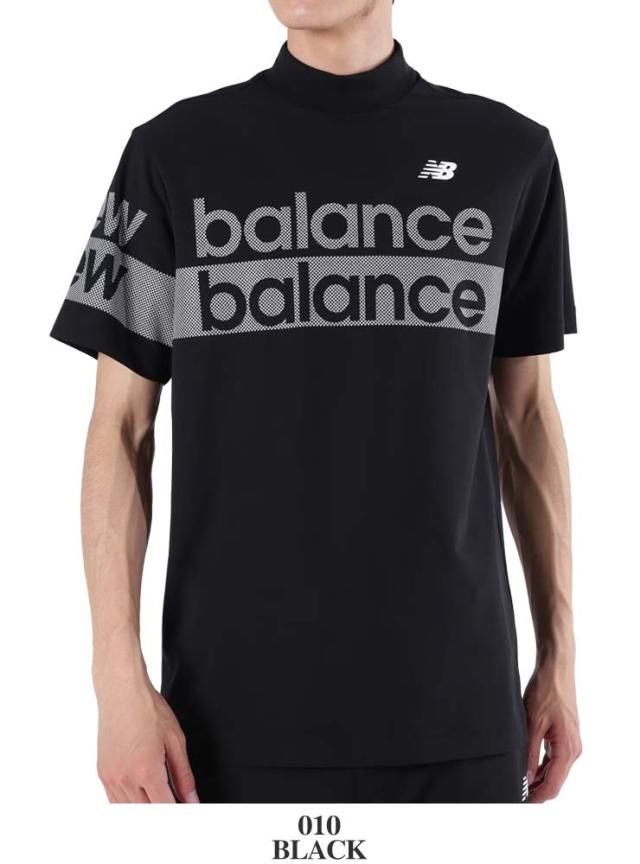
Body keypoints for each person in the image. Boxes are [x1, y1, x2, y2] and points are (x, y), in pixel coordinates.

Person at [50, 0, 581, 804]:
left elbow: (528, 416)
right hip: (224, 726)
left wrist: (561, 657)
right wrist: (115, 680)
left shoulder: (508, 154)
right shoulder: (174, 153)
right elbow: (120, 427)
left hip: (458, 716)